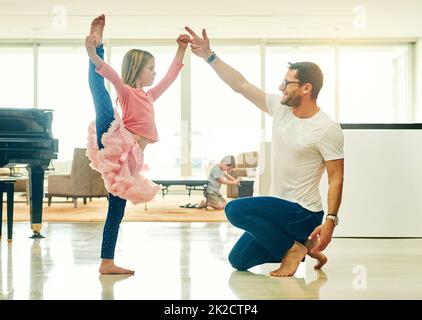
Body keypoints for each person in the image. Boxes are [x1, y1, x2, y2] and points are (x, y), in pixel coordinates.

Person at [185, 27, 344, 277]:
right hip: (280, 208)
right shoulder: (280, 109)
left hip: (304, 213)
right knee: (238, 259)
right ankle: (302, 247)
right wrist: (209, 56)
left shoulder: (327, 128)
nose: (281, 87)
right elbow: (240, 84)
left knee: (234, 210)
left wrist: (330, 222)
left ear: (306, 88)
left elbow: (336, 178)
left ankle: (293, 250)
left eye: (287, 83)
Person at [84, 14, 189, 274]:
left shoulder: (150, 96)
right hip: (117, 140)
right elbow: (107, 74)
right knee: (102, 99)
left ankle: (106, 262)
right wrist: (95, 54)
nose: (155, 72)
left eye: (154, 68)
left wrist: (182, 48)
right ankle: (97, 39)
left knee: (116, 209)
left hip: (130, 161)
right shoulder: (127, 92)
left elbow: (171, 76)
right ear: (137, 69)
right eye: (150, 68)